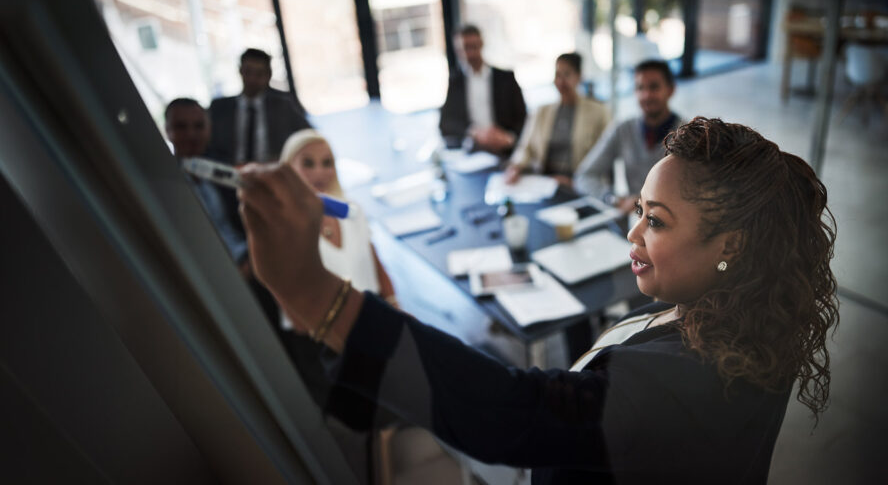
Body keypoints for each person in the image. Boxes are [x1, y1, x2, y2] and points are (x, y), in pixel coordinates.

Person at [237, 117, 840, 484]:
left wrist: (318, 296)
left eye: (655, 221)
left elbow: (517, 414)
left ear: (727, 245)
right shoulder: (748, 319)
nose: (632, 233)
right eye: (637, 211)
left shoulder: (692, 384)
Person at [279, 129, 396, 305]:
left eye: (327, 163)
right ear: (288, 169)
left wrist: (394, 303)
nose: (319, 172)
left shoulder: (351, 210)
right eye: (308, 163)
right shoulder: (284, 229)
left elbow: (374, 261)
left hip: (375, 310)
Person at [575, 59, 684, 214]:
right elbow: (584, 176)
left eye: (654, 87)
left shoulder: (688, 136)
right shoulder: (623, 129)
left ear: (671, 90)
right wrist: (612, 198)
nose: (646, 95)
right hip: (634, 222)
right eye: (640, 88)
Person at [505, 53, 611, 188]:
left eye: (567, 74)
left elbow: (604, 158)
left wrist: (575, 182)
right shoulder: (542, 111)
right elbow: (525, 147)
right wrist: (515, 167)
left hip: (578, 183)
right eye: (557, 75)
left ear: (579, 77)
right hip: (545, 182)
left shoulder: (598, 111)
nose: (560, 81)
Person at [164, 97, 248, 265]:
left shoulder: (225, 168)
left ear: (209, 129)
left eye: (198, 126)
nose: (191, 134)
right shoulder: (165, 183)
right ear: (167, 130)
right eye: (181, 127)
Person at [206, 48, 309, 165]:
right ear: (240, 71)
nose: (252, 79)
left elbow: (308, 138)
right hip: (230, 173)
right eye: (248, 72)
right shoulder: (220, 108)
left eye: (259, 74)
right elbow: (209, 147)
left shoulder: (284, 106)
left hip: (273, 172)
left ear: (268, 75)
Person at [439, 25, 527, 155]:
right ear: (457, 50)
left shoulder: (505, 78)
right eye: (465, 48)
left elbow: (523, 118)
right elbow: (446, 123)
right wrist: (474, 132)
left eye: (473, 47)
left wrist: (509, 138)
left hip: (505, 148)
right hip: (473, 150)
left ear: (481, 44)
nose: (470, 54)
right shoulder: (455, 82)